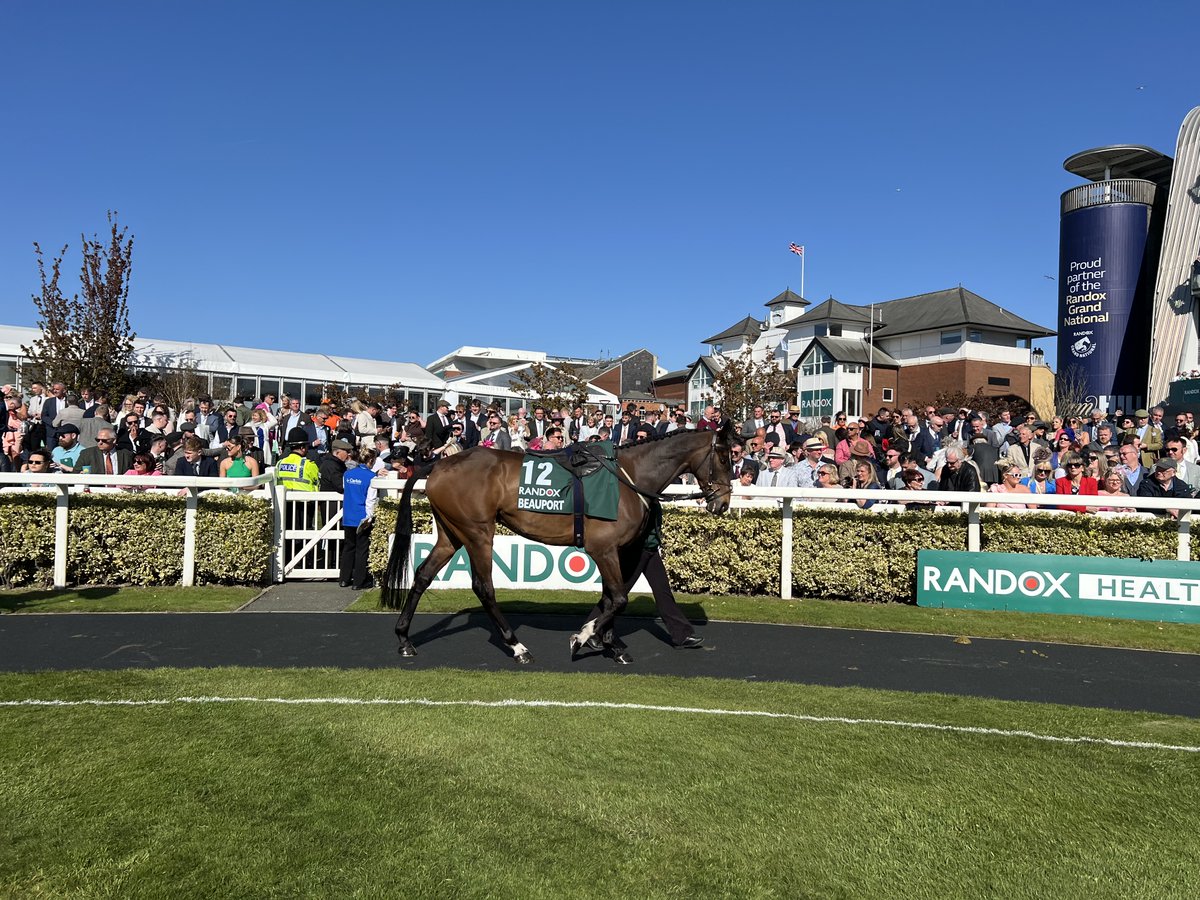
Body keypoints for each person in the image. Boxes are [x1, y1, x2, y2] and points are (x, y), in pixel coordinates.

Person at [584, 500, 703, 650]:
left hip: (651, 552)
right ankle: (590, 631)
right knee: (616, 596)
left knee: (663, 593)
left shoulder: (651, 499)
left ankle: (682, 635)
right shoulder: (639, 501)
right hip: (637, 553)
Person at [340, 447, 376, 590]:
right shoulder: (371, 477)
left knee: (348, 547)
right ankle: (358, 582)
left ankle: (344, 579)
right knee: (362, 549)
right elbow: (370, 500)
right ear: (371, 460)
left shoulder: (347, 474)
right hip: (361, 516)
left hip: (348, 515)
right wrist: (369, 517)